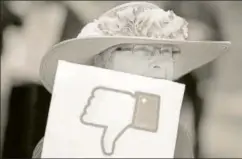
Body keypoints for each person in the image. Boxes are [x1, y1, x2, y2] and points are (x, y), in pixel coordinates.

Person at [33, 2, 230, 158]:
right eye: (142, 50)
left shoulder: (177, 139)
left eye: (168, 53)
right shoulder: (61, 137)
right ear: (104, 61)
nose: (159, 62)